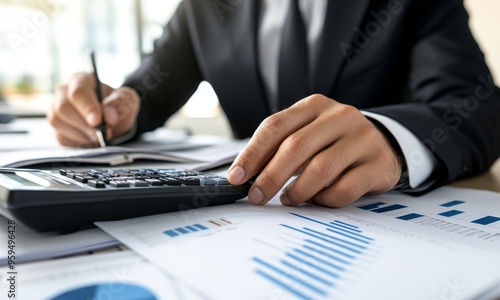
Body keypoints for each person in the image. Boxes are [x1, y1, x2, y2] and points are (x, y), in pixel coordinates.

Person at [48, 0, 500, 209]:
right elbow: (147, 93)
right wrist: (111, 107)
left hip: (367, 220)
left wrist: (389, 136)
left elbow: (476, 105)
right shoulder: (204, 7)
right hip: (242, 221)